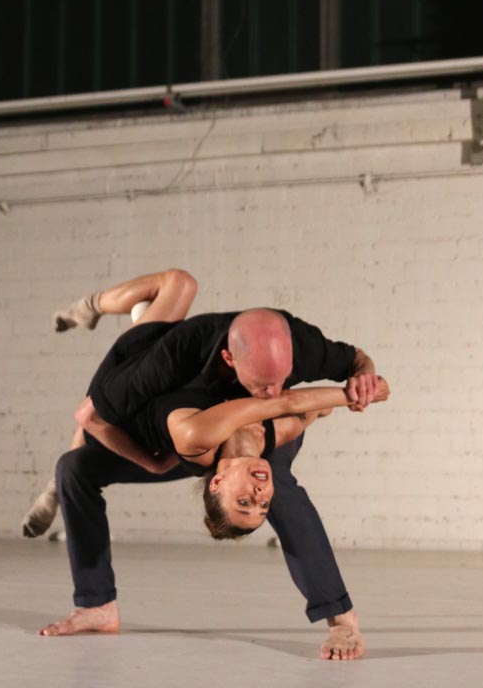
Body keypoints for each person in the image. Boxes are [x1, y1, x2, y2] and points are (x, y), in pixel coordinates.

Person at [32, 270, 387, 658]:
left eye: (281, 377)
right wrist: (149, 464)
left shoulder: (300, 346)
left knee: (279, 485)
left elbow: (348, 369)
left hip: (223, 437)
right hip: (179, 441)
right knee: (74, 467)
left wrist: (364, 380)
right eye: (261, 382)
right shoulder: (172, 359)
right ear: (229, 360)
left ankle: (342, 621)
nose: (272, 391)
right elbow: (91, 417)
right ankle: (96, 604)